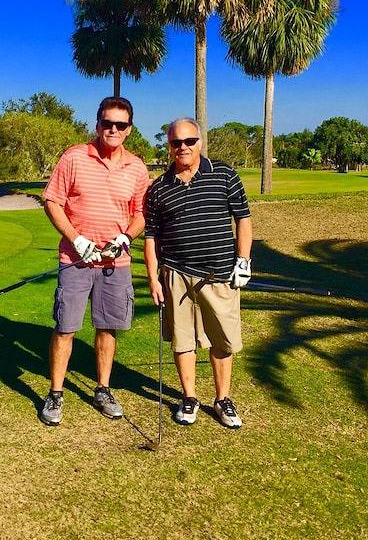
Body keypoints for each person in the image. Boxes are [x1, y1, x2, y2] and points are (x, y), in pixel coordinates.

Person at [38, 96, 150, 426]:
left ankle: (103, 388)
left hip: (116, 263)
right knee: (65, 327)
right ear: (97, 123)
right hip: (76, 259)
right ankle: (56, 393)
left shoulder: (137, 168)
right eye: (107, 123)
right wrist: (77, 239)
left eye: (120, 125)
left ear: (129, 129)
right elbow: (52, 202)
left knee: (107, 327)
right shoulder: (75, 157)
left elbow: (141, 214)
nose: (112, 129)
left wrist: (126, 238)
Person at [143, 117, 253, 428]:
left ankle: (222, 399)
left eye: (189, 141)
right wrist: (154, 277)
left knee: (223, 340)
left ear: (199, 143)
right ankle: (189, 397)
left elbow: (243, 219)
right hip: (176, 274)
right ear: (169, 146)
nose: (183, 147)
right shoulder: (158, 188)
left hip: (218, 274)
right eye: (176, 142)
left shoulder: (224, 175)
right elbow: (152, 237)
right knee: (183, 340)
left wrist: (243, 260)